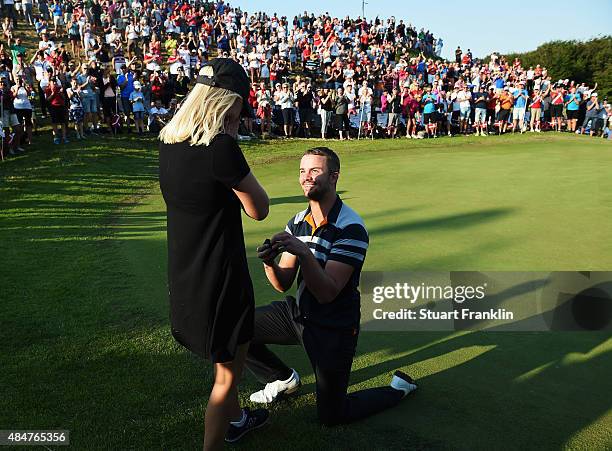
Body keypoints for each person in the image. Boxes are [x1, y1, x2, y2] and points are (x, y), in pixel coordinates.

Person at [247, 146, 418, 426]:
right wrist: (269, 263)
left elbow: (327, 292)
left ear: (334, 176)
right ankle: (282, 379)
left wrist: (302, 252)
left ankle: (398, 389)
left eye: (315, 171)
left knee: (332, 415)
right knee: (234, 327)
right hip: (299, 314)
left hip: (334, 326)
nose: (306, 177)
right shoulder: (298, 222)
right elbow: (283, 284)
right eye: (302, 171)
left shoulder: (351, 228)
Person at [158, 58, 270, 449]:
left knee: (224, 363)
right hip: (221, 277)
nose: (242, 114)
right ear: (228, 101)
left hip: (186, 274)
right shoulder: (221, 147)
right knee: (227, 377)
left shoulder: (168, 143)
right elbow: (259, 208)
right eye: (240, 106)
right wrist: (233, 142)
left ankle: (237, 419)